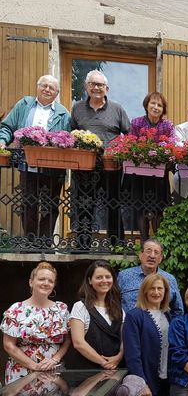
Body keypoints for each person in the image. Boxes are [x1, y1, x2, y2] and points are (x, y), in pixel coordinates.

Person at [0, 75, 70, 239]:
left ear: (56, 93)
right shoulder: (24, 105)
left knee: (50, 205)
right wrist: (2, 141)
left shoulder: (63, 113)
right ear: (37, 87)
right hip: (27, 163)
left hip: (53, 167)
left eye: (51, 88)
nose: (47, 89)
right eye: (44, 85)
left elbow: (68, 139)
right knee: (28, 203)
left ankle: (45, 242)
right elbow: (7, 127)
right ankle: (31, 241)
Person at [70, 70, 131, 247]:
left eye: (100, 85)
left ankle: (116, 244)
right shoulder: (77, 108)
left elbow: (128, 134)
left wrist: (118, 149)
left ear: (107, 89)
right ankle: (83, 244)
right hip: (85, 166)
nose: (96, 88)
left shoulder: (117, 109)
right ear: (86, 87)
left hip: (111, 164)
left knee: (113, 203)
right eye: (93, 84)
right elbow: (71, 134)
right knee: (84, 204)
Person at [1, 262, 71, 384]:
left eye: (50, 281)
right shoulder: (16, 310)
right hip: (22, 372)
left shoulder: (61, 309)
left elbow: (68, 340)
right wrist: (34, 366)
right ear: (31, 282)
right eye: (41, 279)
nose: (46, 283)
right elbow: (8, 345)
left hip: (53, 372)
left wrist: (55, 359)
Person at [128, 92, 174, 241]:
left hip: (159, 175)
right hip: (140, 174)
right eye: (153, 103)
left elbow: (171, 146)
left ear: (163, 109)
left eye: (159, 105)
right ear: (146, 105)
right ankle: (143, 240)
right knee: (140, 208)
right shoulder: (137, 122)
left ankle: (157, 241)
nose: (156, 107)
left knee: (158, 209)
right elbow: (130, 144)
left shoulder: (167, 125)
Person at [123, 273, 172, 396]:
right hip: (147, 380)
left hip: (167, 379)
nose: (156, 292)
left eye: (160, 288)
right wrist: (142, 383)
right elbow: (132, 355)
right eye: (152, 288)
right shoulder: (134, 316)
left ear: (165, 292)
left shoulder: (167, 315)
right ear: (144, 291)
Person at [69, 261, 124, 369]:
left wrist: (119, 356)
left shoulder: (119, 308)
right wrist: (104, 363)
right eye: (99, 277)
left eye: (108, 277)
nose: (104, 281)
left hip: (115, 370)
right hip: (88, 371)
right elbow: (78, 342)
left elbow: (124, 339)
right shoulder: (80, 307)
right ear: (90, 280)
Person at [117, 238, 184, 315]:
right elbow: (114, 303)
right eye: (148, 251)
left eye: (156, 252)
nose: (152, 256)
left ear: (161, 258)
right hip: (130, 325)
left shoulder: (169, 279)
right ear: (140, 255)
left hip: (161, 325)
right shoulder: (124, 276)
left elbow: (178, 310)